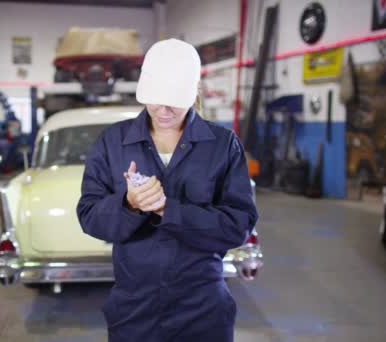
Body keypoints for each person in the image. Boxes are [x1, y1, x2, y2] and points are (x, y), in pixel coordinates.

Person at [76, 39, 258, 341]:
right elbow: (89, 216)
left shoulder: (223, 144)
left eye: (174, 98)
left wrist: (166, 209)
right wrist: (128, 204)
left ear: (195, 90)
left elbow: (237, 227)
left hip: (203, 308)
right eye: (156, 98)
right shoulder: (112, 142)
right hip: (134, 309)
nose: (163, 109)